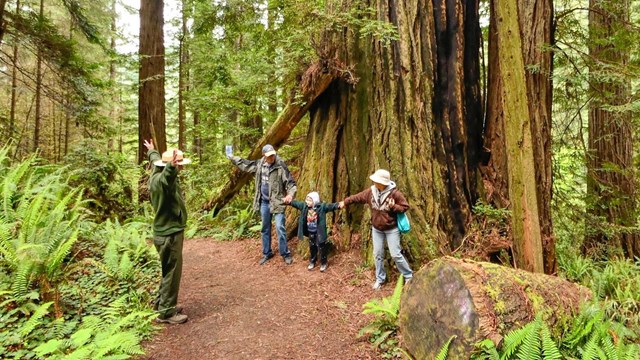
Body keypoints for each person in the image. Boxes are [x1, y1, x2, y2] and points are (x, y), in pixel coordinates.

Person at [339, 169, 413, 290]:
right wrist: (345, 202)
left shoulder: (395, 194)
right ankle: (380, 278)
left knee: (395, 254)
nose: (374, 182)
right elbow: (357, 197)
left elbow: (405, 207)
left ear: (383, 183)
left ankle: (408, 275)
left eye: (376, 180)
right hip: (376, 229)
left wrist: (393, 206)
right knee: (377, 254)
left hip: (391, 229)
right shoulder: (371, 192)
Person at [144, 139, 190, 324]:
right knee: (172, 272)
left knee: (167, 270)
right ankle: (167, 313)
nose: (181, 169)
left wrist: (152, 151)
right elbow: (167, 177)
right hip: (170, 234)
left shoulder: (155, 174)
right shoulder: (164, 181)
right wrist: (171, 168)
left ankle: (162, 304)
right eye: (178, 165)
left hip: (163, 233)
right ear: (171, 165)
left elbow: (157, 162)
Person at [228, 144, 297, 265]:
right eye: (269, 156)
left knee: (280, 227)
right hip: (264, 202)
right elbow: (245, 165)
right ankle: (267, 253)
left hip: (277, 202)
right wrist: (232, 157)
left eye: (273, 155)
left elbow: (291, 183)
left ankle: (285, 253)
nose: (272, 157)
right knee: (265, 228)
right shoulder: (259, 165)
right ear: (264, 156)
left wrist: (290, 195)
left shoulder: (280, 165)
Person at [285, 192, 340, 272]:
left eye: (310, 200)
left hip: (319, 232)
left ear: (315, 201)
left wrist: (338, 205)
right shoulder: (304, 206)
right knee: (312, 247)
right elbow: (296, 203)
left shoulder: (321, 207)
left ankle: (323, 263)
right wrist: (289, 202)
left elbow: (330, 206)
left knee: (321, 246)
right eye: (306, 200)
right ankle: (312, 261)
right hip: (310, 231)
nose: (307, 202)